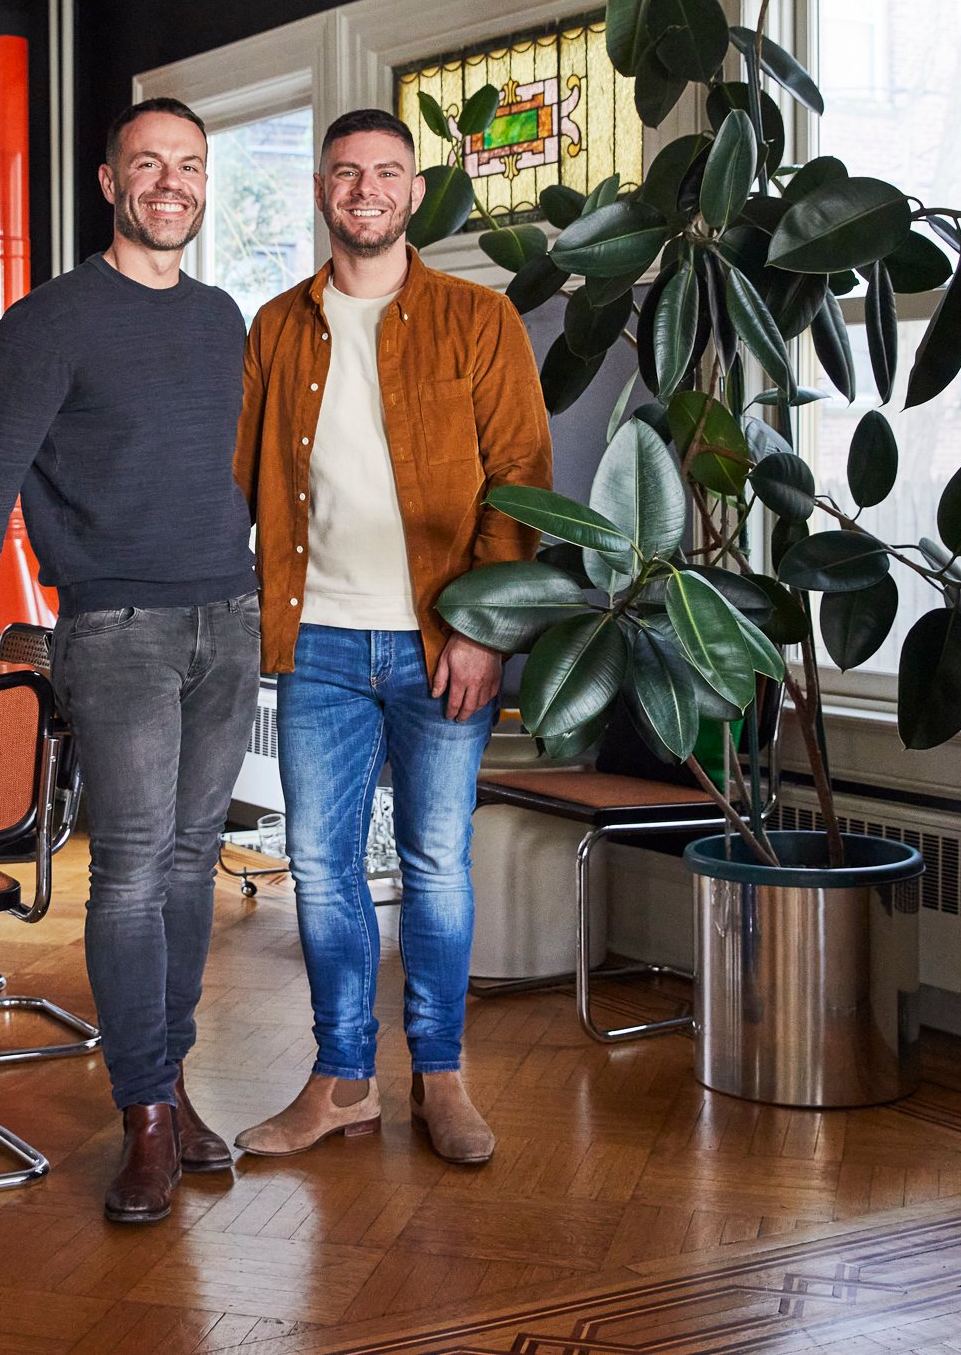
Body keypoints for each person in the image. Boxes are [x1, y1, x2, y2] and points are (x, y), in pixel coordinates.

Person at [0, 97, 261, 1223]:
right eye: (149, 164)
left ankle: (170, 1083)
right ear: (109, 183)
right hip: (114, 632)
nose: (172, 182)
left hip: (229, 621)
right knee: (126, 871)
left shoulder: (223, 320)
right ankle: (146, 1118)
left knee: (190, 862)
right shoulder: (50, 320)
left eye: (191, 166)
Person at [232, 108, 552, 1165]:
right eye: (344, 173)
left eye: (386, 172)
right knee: (320, 869)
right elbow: (232, 483)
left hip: (442, 643)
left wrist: (484, 627)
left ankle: (442, 1075)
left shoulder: (478, 319)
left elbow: (519, 483)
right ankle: (341, 1082)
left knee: (436, 865)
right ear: (321, 193)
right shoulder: (276, 328)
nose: (365, 188)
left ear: (415, 194)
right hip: (315, 641)